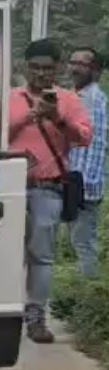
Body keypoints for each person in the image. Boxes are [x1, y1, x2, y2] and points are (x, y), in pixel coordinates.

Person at [0, 38, 91, 343]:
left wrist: (57, 117)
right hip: (9, 189)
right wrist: (27, 118)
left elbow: (85, 137)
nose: (41, 74)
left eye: (48, 68)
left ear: (57, 68)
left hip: (48, 189)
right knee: (5, 253)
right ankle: (1, 314)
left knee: (41, 256)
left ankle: (36, 317)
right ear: (25, 67)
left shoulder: (69, 100)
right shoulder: (10, 99)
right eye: (35, 68)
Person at [66, 47, 106, 278]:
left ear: (96, 71)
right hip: (74, 182)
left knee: (83, 243)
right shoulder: (76, 96)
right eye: (73, 62)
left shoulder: (93, 99)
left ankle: (88, 295)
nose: (75, 68)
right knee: (77, 241)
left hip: (84, 185)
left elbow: (92, 143)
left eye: (83, 64)